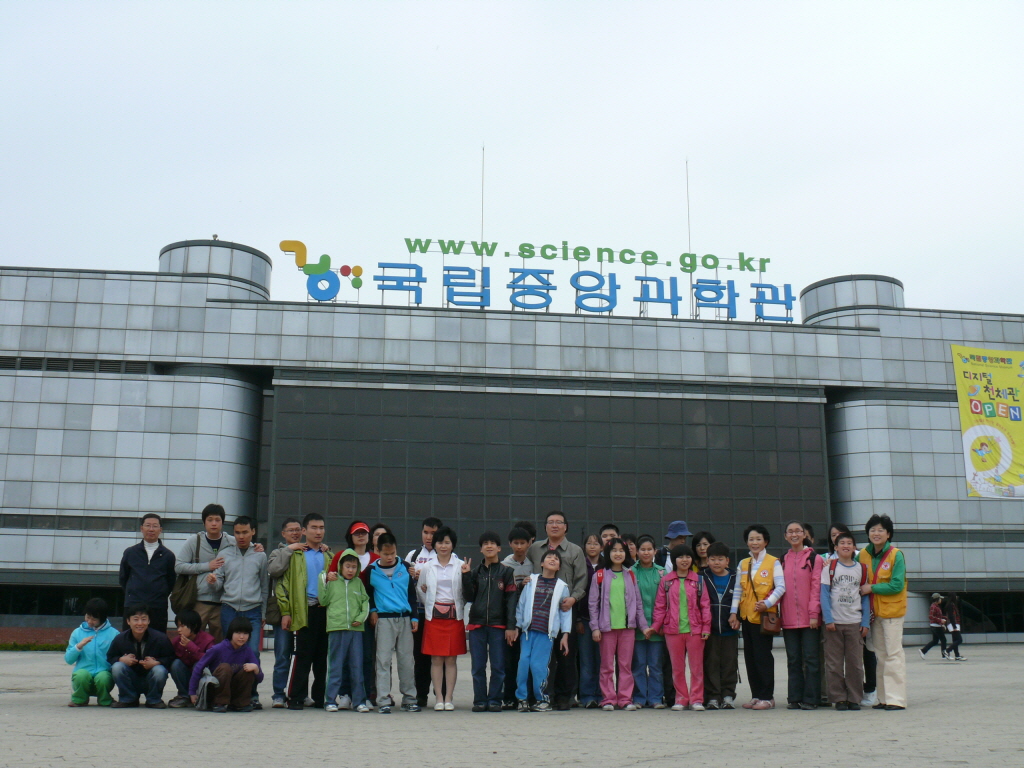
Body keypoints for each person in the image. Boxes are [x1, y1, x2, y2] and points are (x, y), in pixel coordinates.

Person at [527, 510, 588, 710]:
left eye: (559, 522)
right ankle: (544, 695)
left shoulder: (574, 550)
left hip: (565, 609)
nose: (554, 525)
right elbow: (525, 568)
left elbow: (581, 579)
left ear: (566, 526)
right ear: (545, 527)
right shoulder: (535, 549)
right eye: (550, 522)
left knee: (565, 656)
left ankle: (564, 697)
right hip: (540, 613)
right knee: (542, 656)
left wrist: (573, 598)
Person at [277, 512, 334, 710]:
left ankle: (320, 697)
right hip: (304, 610)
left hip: (325, 611)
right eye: (314, 528)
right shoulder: (296, 554)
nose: (318, 532)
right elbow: (282, 585)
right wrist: (286, 611)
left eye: (321, 528)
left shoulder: (329, 555)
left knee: (322, 657)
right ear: (304, 531)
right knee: (303, 656)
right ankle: (295, 697)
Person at [214, 515, 269, 708]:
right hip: (229, 608)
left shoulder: (260, 556)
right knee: (228, 652)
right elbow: (220, 580)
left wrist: (262, 614)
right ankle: (226, 695)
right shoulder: (226, 553)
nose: (241, 536)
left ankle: (251, 695)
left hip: (252, 610)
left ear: (253, 532)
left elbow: (264, 586)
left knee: (252, 651)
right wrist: (214, 581)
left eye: (245, 532)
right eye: (237, 532)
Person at [730, 523, 785, 710]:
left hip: (763, 618)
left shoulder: (773, 562)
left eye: (758, 539)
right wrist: (733, 612)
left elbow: (780, 587)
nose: (754, 542)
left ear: (765, 541)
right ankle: (756, 695)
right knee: (750, 657)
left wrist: (767, 604)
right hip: (746, 617)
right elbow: (737, 589)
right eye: (751, 539)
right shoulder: (743, 564)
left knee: (763, 657)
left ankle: (767, 697)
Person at [462, 531, 518, 712]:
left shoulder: (507, 572)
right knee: (477, 666)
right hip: (477, 624)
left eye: (493, 543)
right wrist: (465, 575)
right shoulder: (476, 572)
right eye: (485, 543)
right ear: (481, 549)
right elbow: (469, 597)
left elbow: (511, 601)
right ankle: (479, 700)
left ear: (499, 548)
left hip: (498, 626)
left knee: (498, 666)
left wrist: (511, 626)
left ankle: (495, 699)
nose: (489, 546)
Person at [589, 538, 646, 711]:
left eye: (621, 550)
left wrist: (643, 626)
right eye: (614, 550)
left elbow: (638, 603)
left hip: (627, 628)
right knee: (606, 666)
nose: (618, 553)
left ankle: (625, 699)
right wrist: (595, 627)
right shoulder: (599, 575)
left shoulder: (630, 574)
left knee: (625, 666)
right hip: (607, 628)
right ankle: (608, 699)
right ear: (607, 553)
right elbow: (593, 604)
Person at [366, 532, 421, 713]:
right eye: (386, 554)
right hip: (383, 620)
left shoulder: (405, 567)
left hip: (404, 618)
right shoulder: (371, 570)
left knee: (406, 660)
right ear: (377, 551)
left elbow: (411, 594)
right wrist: (373, 611)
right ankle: (383, 700)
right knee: (383, 660)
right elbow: (368, 594)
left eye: (393, 553)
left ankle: (409, 699)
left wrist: (414, 616)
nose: (390, 557)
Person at [858, 513, 908, 710]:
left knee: (893, 654)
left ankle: (896, 699)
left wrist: (872, 588)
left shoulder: (897, 555)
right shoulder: (862, 554)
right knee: (880, 655)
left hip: (892, 613)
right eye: (872, 530)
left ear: (888, 534)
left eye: (880, 530)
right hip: (873, 613)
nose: (876, 533)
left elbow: (897, 585)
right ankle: (883, 698)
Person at [652, 544, 711, 711]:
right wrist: (656, 626)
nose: (684, 560)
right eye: (680, 557)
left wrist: (706, 627)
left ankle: (697, 699)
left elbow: (705, 605)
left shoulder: (699, 580)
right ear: (674, 560)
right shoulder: (666, 581)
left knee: (696, 668)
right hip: (672, 630)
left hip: (695, 630)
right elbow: (660, 606)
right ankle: (681, 698)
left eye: (687, 557)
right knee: (677, 668)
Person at [515, 549, 572, 712]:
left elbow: (565, 613)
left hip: (546, 634)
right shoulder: (531, 581)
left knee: (538, 666)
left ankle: (542, 699)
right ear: (541, 563)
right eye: (549, 557)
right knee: (524, 664)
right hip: (527, 632)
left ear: (559, 565)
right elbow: (522, 604)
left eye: (556, 558)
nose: (552, 559)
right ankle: (522, 699)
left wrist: (565, 635)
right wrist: (518, 626)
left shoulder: (562, 587)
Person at [820, 531, 870, 710]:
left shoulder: (862, 569)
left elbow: (865, 597)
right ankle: (839, 698)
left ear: (854, 547)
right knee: (834, 664)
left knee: (855, 664)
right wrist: (828, 619)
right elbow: (824, 594)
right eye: (842, 543)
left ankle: (854, 698)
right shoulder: (830, 567)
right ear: (836, 547)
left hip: (854, 622)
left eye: (850, 543)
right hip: (834, 622)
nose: (846, 546)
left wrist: (865, 622)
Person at [418, 525, 466, 710]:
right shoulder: (428, 566)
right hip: (434, 618)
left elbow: (464, 591)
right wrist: (431, 603)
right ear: (435, 545)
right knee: (436, 659)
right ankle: (438, 698)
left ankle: (449, 697)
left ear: (453, 545)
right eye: (440, 542)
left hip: (454, 617)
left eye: (447, 542)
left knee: (451, 659)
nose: (443, 546)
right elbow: (421, 589)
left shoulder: (461, 565)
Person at [174, 504, 236, 642]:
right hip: (198, 601)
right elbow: (179, 566)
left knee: (220, 643)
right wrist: (207, 566)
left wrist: (257, 546)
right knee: (194, 641)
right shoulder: (194, 541)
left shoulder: (232, 542)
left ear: (223, 522)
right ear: (204, 522)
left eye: (217, 520)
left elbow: (249, 548)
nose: (214, 523)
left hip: (223, 602)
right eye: (210, 520)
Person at [321, 549, 371, 712]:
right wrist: (325, 580)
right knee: (336, 666)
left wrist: (361, 617)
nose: (350, 570)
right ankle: (330, 700)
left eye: (354, 567)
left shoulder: (359, 583)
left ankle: (359, 701)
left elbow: (366, 602)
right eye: (347, 566)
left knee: (357, 666)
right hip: (336, 628)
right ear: (341, 566)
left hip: (356, 630)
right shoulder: (332, 581)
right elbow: (323, 600)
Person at [779, 520, 822, 710]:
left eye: (798, 531)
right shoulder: (781, 560)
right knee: (793, 659)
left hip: (809, 618)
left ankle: (812, 698)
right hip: (788, 618)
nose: (794, 534)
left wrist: (814, 613)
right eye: (790, 532)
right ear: (786, 536)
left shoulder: (814, 559)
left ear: (804, 535)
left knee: (811, 659)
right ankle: (794, 698)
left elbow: (816, 588)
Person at [189, 616, 264, 712]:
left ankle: (240, 703)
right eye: (238, 633)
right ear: (231, 633)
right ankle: (219, 703)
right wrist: (192, 692)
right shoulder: (218, 648)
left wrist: (256, 669)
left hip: (233, 690)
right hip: (215, 690)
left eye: (245, 633)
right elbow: (199, 668)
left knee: (248, 670)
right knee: (225, 667)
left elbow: (260, 678)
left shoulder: (247, 650)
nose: (242, 637)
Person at [267, 517, 305, 707]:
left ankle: (300, 692)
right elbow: (274, 570)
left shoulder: (308, 552)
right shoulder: (277, 552)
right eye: (290, 530)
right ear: (283, 534)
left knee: (303, 655)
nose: (295, 533)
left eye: (298, 530)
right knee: (282, 654)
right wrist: (289, 550)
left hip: (304, 611)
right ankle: (278, 693)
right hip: (283, 611)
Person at [118, 513, 176, 634]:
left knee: (157, 640)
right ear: (141, 528)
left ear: (160, 530)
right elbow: (123, 578)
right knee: (129, 639)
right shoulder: (130, 552)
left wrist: (160, 594)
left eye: (155, 526)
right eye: (148, 525)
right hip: (133, 604)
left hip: (157, 606)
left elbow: (171, 581)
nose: (151, 529)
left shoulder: (168, 555)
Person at [108, 604, 174, 708]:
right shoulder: (120, 639)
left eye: (144, 619)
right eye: (136, 619)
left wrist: (156, 662)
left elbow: (171, 658)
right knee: (117, 667)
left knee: (160, 670)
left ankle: (154, 699)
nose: (140, 623)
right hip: (131, 678)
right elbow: (110, 657)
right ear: (128, 621)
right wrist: (121, 659)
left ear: (149, 621)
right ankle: (128, 699)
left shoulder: (160, 638)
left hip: (151, 678)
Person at [406, 515, 442, 707]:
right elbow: (404, 584)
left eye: (433, 533)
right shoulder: (412, 556)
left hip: (439, 613)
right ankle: (421, 694)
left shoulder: (446, 554)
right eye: (426, 532)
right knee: (419, 656)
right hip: (418, 613)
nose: (429, 537)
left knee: (439, 655)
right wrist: (413, 577)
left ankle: (442, 692)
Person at [701, 541, 739, 710]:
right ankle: (713, 696)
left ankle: (728, 695)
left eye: (720, 559)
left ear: (727, 561)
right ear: (707, 560)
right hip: (710, 630)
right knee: (711, 663)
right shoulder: (702, 577)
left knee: (730, 663)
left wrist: (737, 617)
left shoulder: (735, 578)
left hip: (730, 630)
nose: (716, 563)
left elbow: (741, 601)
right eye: (713, 559)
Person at [630, 535, 665, 709]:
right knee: (638, 665)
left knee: (656, 666)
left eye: (649, 549)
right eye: (642, 549)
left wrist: (657, 625)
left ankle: (656, 698)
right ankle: (639, 698)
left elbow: (665, 601)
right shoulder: (630, 572)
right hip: (636, 629)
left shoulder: (662, 572)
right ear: (636, 551)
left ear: (655, 551)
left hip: (657, 629)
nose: (646, 552)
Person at [501, 526, 534, 709]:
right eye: (516, 543)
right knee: (509, 660)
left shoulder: (533, 565)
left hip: (528, 620)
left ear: (529, 544)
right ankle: (509, 696)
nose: (519, 547)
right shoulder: (505, 566)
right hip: (511, 619)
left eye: (523, 543)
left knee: (526, 659)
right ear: (510, 544)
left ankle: (526, 695)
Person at [65, 597, 119, 707]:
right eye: (87, 617)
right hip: (84, 672)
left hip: (103, 673)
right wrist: (79, 646)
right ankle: (79, 699)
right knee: (81, 675)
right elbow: (69, 659)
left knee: (103, 677)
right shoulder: (77, 633)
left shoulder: (114, 634)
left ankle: (105, 699)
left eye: (94, 619)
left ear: (102, 618)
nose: (89, 621)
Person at [168, 609, 215, 708]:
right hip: (185, 675)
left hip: (200, 676)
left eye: (182, 626)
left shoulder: (207, 640)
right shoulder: (177, 641)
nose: (178, 630)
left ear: (193, 626)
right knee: (176, 664)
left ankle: (199, 695)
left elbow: (211, 660)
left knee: (198, 664)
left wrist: (191, 647)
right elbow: (169, 658)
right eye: (177, 626)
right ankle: (184, 696)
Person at [577, 532, 603, 708]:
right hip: (584, 619)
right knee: (586, 660)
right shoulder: (580, 565)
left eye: (596, 543)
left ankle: (602, 695)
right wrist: (578, 619)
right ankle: (587, 695)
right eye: (589, 543)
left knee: (602, 660)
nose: (592, 546)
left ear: (601, 547)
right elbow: (576, 591)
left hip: (605, 621)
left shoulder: (607, 566)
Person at [919, 593, 948, 660]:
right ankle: (944, 655)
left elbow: (937, 616)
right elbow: (931, 616)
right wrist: (940, 620)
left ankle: (923, 651)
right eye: (940, 598)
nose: (941, 600)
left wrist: (944, 618)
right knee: (943, 640)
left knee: (935, 641)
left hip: (935, 625)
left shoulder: (936, 606)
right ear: (937, 599)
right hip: (936, 626)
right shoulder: (933, 606)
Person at [944, 593, 965, 661]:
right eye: (955, 596)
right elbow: (951, 616)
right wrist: (954, 626)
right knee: (959, 640)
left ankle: (957, 655)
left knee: (955, 640)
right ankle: (947, 651)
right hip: (953, 624)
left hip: (953, 624)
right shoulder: (951, 605)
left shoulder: (951, 604)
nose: (956, 597)